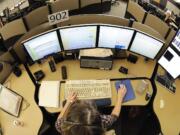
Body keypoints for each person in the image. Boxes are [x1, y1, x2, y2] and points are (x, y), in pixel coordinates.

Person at [55, 84, 127, 135]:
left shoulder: (63, 127)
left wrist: (68, 102)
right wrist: (120, 97)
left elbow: (59, 120)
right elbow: (114, 116)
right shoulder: (103, 122)